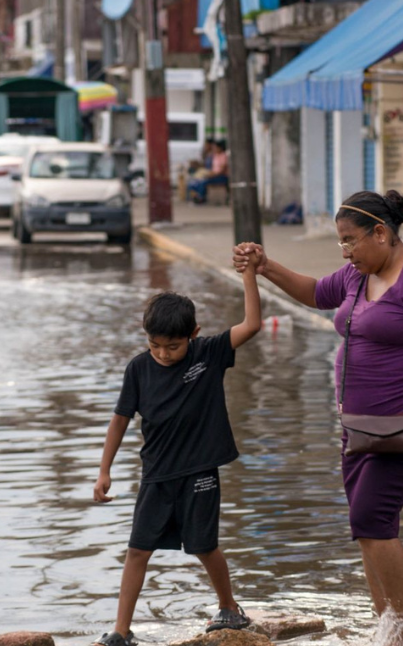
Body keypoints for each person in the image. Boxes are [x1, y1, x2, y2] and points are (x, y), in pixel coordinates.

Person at [232, 190, 403, 637]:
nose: (345, 251)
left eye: (350, 241)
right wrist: (266, 267)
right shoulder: (357, 274)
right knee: (365, 527)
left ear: (380, 233)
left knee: (372, 518)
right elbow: (316, 292)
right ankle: (387, 624)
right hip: (360, 427)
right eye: (340, 243)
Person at [90, 255, 265, 646]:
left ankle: (229, 608)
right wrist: (105, 470)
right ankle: (121, 630)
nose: (164, 354)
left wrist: (249, 275)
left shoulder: (208, 354)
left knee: (205, 546)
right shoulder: (138, 369)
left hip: (200, 471)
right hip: (156, 475)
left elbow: (252, 324)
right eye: (155, 345)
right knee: (138, 550)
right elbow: (120, 419)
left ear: (194, 334)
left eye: (172, 346)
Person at [188, 139, 228, 204]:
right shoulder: (214, 156)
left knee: (203, 182)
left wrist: (212, 175)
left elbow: (222, 170)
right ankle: (195, 197)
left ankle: (201, 198)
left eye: (215, 147)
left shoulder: (224, 156)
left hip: (221, 177)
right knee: (195, 182)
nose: (214, 149)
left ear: (220, 148)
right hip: (213, 175)